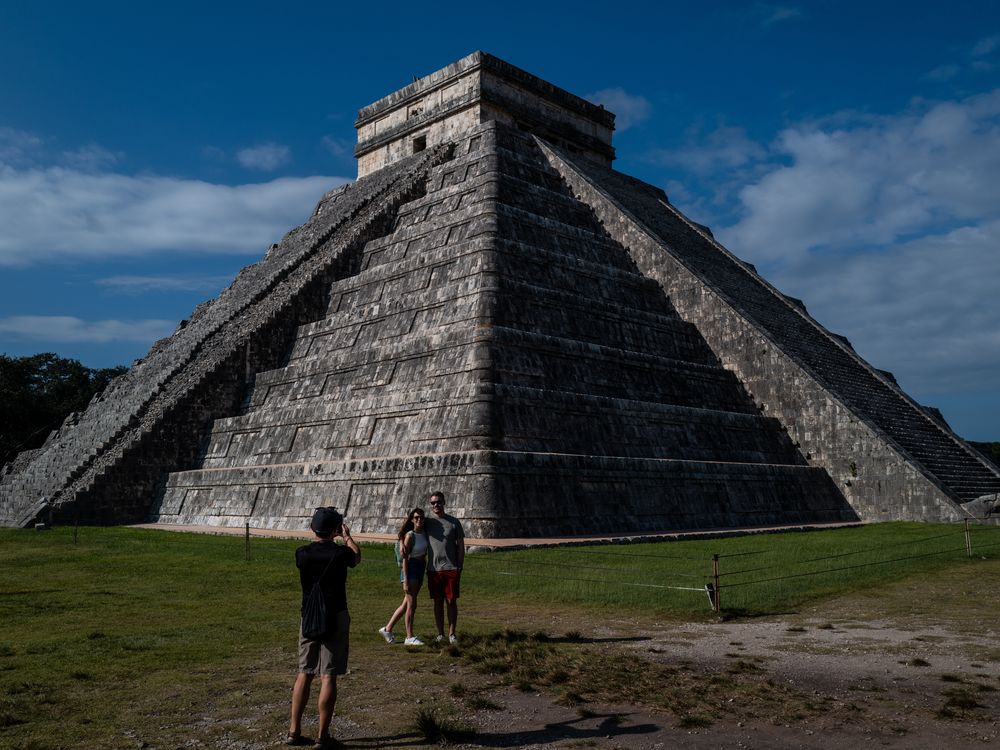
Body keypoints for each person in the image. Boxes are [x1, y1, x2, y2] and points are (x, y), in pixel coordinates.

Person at [287, 507, 360, 749]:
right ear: (335, 530)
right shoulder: (340, 555)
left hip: (308, 616)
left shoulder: (302, 554)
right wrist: (346, 537)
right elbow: (356, 557)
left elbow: (307, 555)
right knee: (328, 675)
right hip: (335, 615)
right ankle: (322, 735)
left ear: (312, 528)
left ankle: (294, 731)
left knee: (304, 672)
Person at [378, 507, 429, 646]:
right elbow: (405, 559)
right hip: (410, 568)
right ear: (412, 519)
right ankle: (409, 637)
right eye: (416, 517)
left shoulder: (425, 533)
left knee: (406, 604)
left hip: (420, 568)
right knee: (412, 604)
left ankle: (387, 629)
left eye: (421, 517)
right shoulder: (410, 536)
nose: (419, 520)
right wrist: (405, 580)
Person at [424, 490, 464, 644]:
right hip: (433, 569)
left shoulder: (454, 522)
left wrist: (459, 566)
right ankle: (440, 633)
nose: (436, 505)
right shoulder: (427, 523)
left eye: (438, 502)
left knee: (451, 601)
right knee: (437, 603)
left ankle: (452, 634)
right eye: (433, 503)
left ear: (444, 503)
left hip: (451, 568)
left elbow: (460, 545)